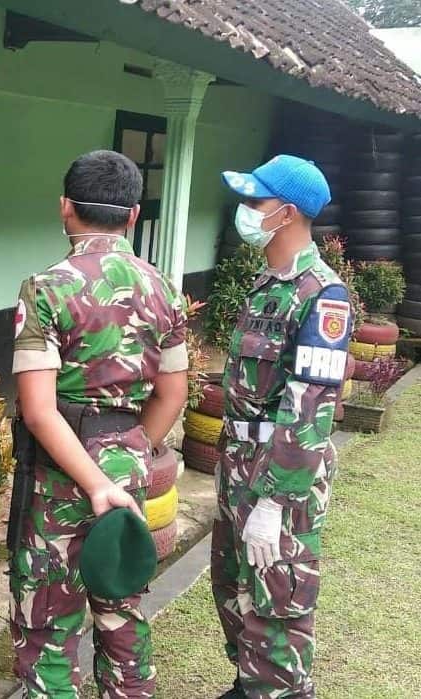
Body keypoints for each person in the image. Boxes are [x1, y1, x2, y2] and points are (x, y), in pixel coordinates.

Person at [9, 150, 189, 698]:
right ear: (133, 215)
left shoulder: (46, 288)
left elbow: (39, 410)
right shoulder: (164, 288)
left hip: (62, 476)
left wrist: (93, 482)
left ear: (65, 208)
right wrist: (131, 449)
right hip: (129, 460)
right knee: (121, 608)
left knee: (47, 621)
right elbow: (173, 392)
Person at [214, 155, 351, 698]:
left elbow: (310, 409)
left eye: (255, 202)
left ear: (287, 213)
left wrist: (274, 501)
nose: (244, 212)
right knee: (232, 582)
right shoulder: (267, 284)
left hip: (279, 469)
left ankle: (282, 690)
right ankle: (251, 685)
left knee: (277, 593)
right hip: (236, 459)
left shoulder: (322, 295)